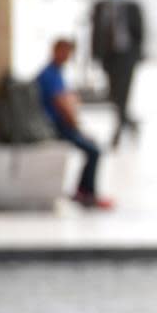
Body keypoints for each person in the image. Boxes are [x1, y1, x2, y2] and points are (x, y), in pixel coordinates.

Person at [36, 39, 113, 209]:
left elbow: (69, 98)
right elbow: (62, 104)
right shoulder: (50, 74)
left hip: (60, 124)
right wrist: (77, 127)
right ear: (55, 50)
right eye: (64, 52)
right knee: (94, 151)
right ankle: (87, 193)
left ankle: (83, 190)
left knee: (93, 149)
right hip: (56, 126)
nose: (66, 56)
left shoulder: (56, 73)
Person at [91, 0, 145, 149]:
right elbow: (95, 32)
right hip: (109, 56)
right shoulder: (100, 6)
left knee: (124, 92)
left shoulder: (131, 6)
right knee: (114, 93)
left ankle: (118, 129)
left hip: (126, 56)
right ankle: (128, 122)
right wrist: (95, 55)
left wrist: (138, 54)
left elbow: (140, 32)